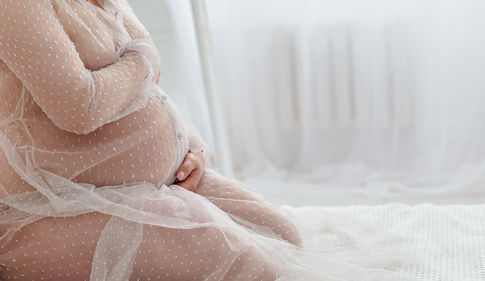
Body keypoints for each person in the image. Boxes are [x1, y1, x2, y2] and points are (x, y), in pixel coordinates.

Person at [0, 0, 303, 280]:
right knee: (250, 266)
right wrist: (144, 58)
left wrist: (192, 147)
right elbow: (79, 108)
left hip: (160, 182)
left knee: (282, 236)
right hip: (66, 202)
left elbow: (146, 90)